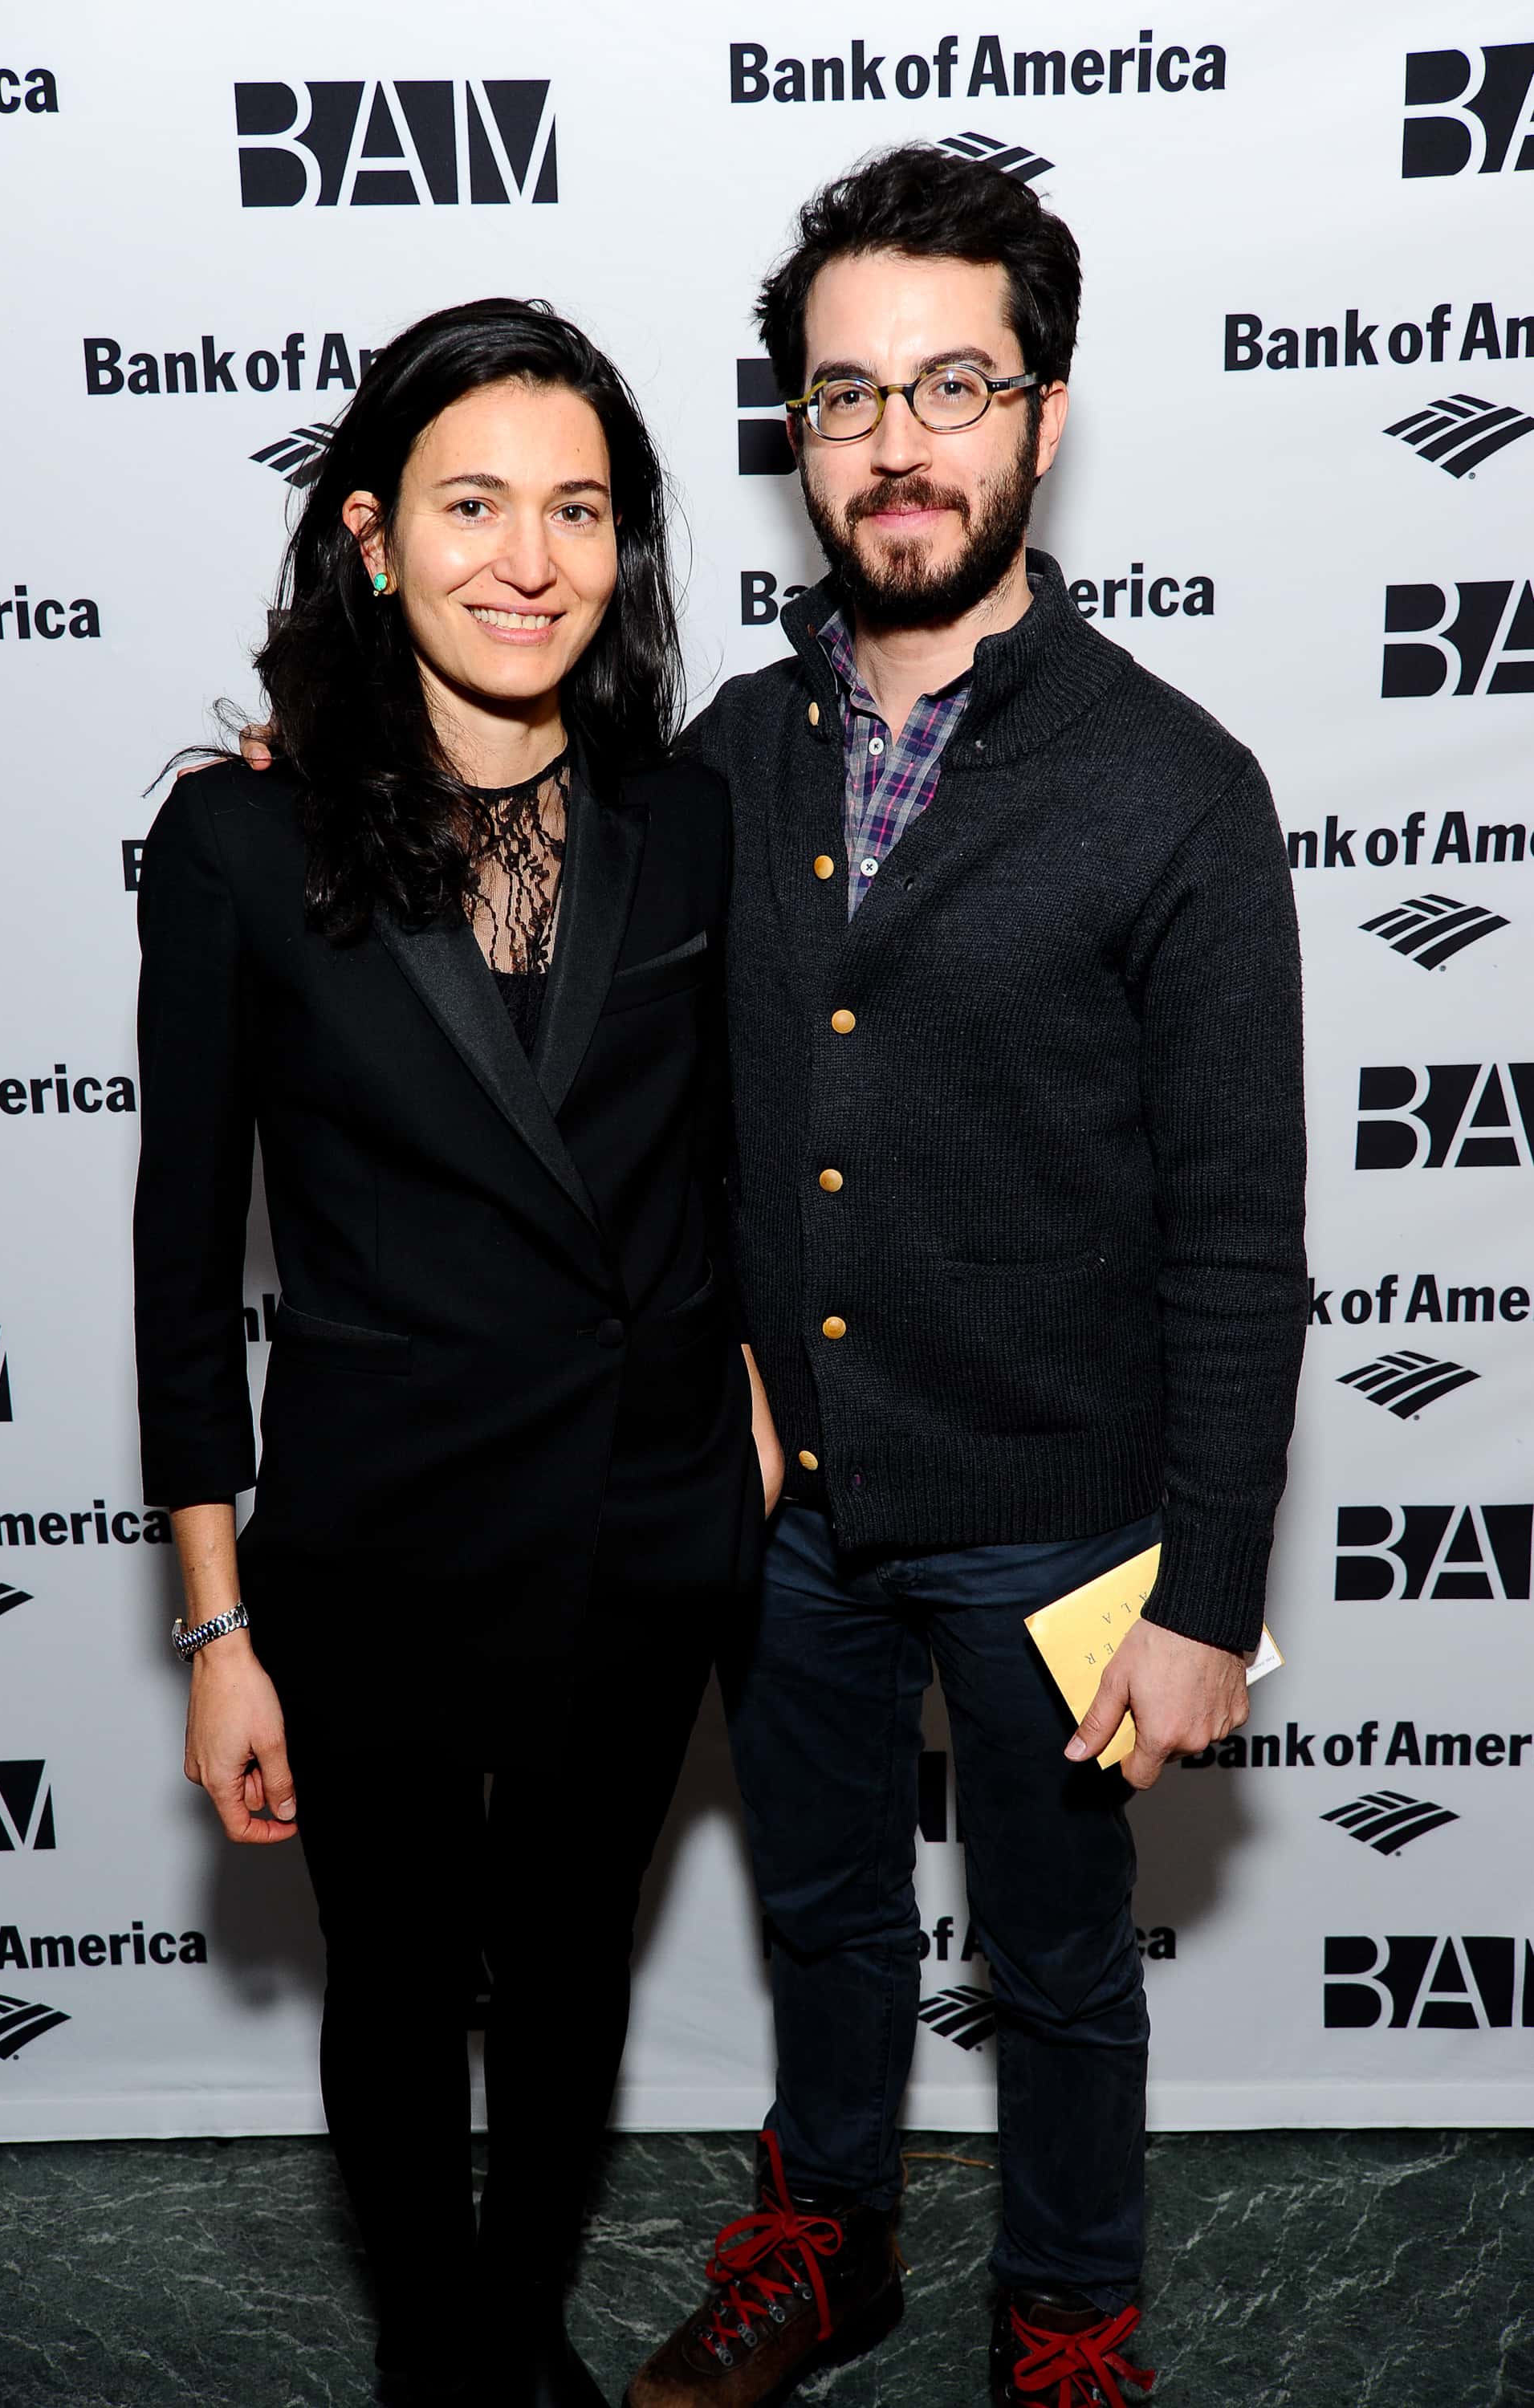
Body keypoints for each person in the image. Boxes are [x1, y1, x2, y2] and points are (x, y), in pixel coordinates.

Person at [622, 148, 1307, 2408]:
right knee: (819, 1920)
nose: (895, 444)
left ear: (1043, 411)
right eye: (842, 397)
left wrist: (1206, 1593)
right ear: (794, 435)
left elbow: (1232, 1229)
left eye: (948, 386)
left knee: (1055, 1962)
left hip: (1061, 1519)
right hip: (789, 1518)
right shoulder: (725, 755)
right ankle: (828, 2249)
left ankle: (1067, 2320)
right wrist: (297, 787)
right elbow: (542, 959)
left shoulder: (1173, 788)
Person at [132, 298, 779, 2408]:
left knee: (574, 1960)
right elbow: (174, 1252)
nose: (530, 557)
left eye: (578, 509)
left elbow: (755, 1158)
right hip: (379, 1532)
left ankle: (516, 2331)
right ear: (369, 536)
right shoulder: (239, 837)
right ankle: (438, 2346)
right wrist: (215, 1621)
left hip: (637, 1515)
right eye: (473, 503)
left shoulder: (690, 820)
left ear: (625, 545)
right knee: (401, 1978)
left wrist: (755, 1432)